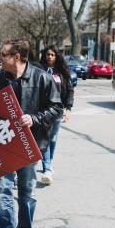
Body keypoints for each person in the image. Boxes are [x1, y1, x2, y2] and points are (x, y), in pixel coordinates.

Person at [0, 39, 63, 228]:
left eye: (4, 54)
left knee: (27, 191)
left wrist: (34, 118)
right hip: (4, 143)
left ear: (16, 57)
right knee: (3, 189)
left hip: (30, 144)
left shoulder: (42, 77)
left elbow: (56, 108)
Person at [39, 45, 74, 185]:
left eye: (52, 55)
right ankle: (47, 168)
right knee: (46, 137)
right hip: (44, 110)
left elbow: (70, 90)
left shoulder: (62, 71)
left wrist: (69, 108)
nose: (50, 57)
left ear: (56, 56)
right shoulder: (39, 69)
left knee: (53, 138)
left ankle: (49, 163)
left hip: (58, 110)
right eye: (48, 54)